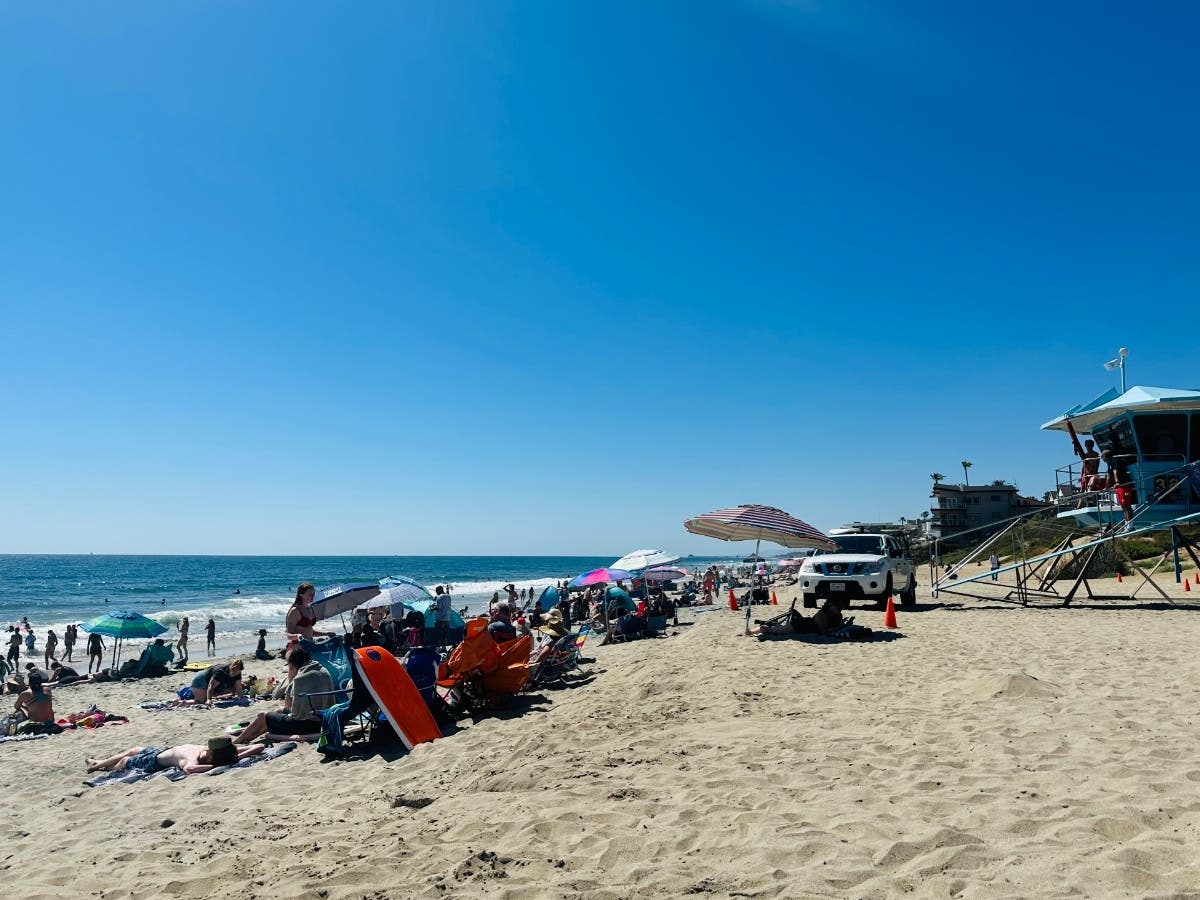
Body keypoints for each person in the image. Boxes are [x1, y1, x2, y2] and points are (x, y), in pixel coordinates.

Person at [233, 647, 334, 744]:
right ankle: (249, 735)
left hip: (307, 725)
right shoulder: (322, 669)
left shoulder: (300, 679)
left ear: (293, 665)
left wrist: (291, 680)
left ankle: (238, 741)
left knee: (263, 716)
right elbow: (289, 709)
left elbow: (290, 708)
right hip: (325, 719)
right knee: (279, 710)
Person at [86, 737, 259, 776]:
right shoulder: (225, 753)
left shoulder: (192, 758)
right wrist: (232, 759)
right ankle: (98, 763)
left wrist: (221, 765)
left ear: (215, 753)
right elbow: (258, 746)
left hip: (153, 761)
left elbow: (190, 769)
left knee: (125, 762)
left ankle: (101, 767)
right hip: (162, 751)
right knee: (133, 749)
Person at [285, 583, 335, 652]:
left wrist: (326, 633)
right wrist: (297, 636)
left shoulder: (310, 608)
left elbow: (309, 632)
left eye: (313, 594)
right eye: (310, 594)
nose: (312, 596)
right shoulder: (295, 611)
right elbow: (288, 635)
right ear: (301, 595)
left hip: (310, 644)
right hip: (298, 647)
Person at [1104, 450, 1138, 522]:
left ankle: (1130, 525)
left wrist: (1117, 482)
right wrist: (1106, 488)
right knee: (1123, 506)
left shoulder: (1115, 461)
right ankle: (1127, 524)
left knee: (1127, 506)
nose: (1102, 459)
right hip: (1120, 487)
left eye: (1102, 457)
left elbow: (1115, 472)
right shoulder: (1109, 464)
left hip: (1124, 485)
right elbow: (1109, 476)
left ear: (1106, 456)